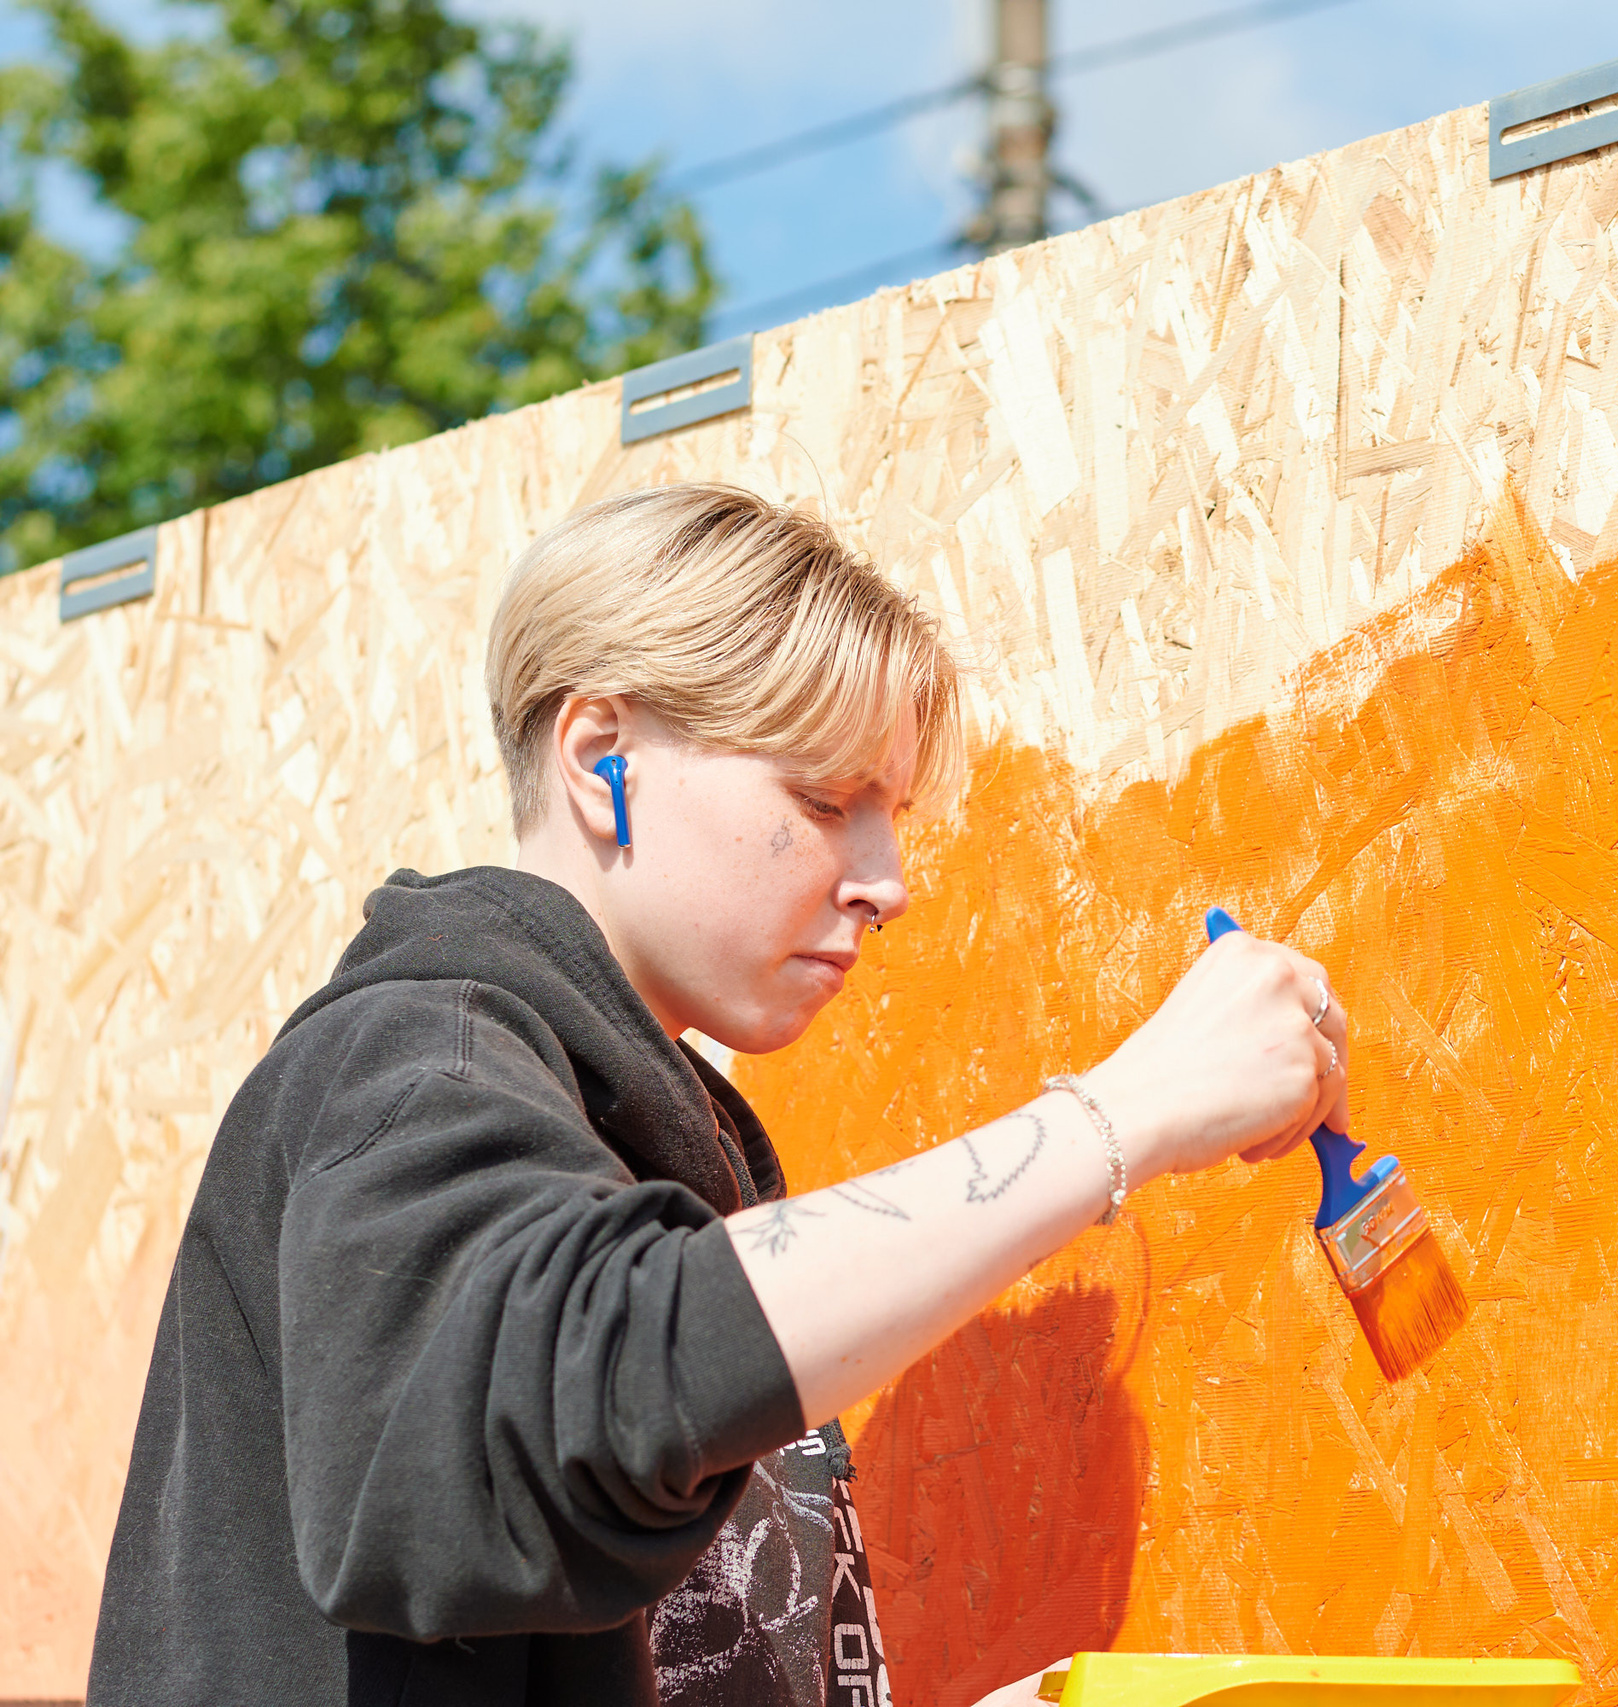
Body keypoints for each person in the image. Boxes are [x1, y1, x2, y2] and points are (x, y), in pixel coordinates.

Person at [88, 485, 1350, 1706]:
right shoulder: (415, 1059)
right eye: (822, 799)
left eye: (891, 813)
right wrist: (1122, 1116)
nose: (886, 879)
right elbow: (550, 1418)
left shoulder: (631, 1144)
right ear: (600, 759)